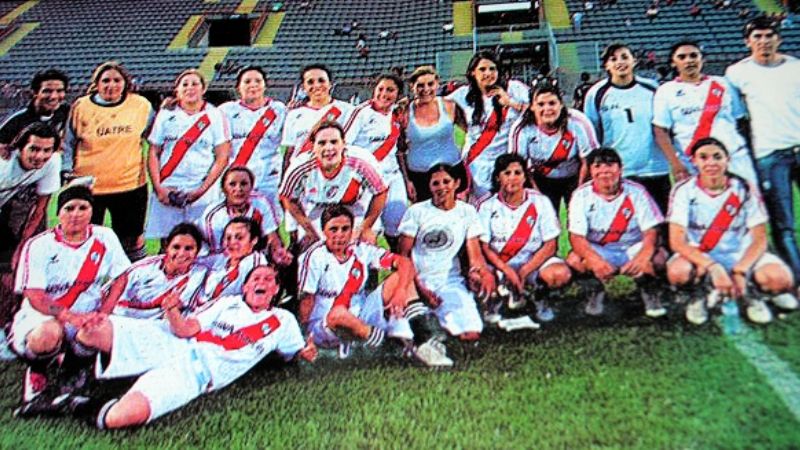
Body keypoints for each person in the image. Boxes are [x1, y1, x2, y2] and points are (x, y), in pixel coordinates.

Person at [35, 265, 315, 428]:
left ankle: (71, 403)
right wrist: (171, 310)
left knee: (121, 417)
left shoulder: (283, 320)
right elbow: (186, 329)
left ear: (277, 290)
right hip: (172, 342)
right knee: (93, 330)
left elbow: (294, 351)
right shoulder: (228, 303)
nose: (262, 283)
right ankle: (68, 382)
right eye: (256, 278)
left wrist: (306, 351)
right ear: (244, 288)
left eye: (268, 280)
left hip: (197, 372)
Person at [10, 185, 130, 410]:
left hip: (88, 314)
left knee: (100, 330)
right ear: (59, 212)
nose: (76, 214)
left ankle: (73, 372)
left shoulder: (105, 237)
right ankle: (37, 373)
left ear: (92, 212)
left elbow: (121, 278)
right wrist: (68, 316)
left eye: (83, 207)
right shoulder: (39, 245)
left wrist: (104, 312)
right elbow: (34, 295)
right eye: (69, 208)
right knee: (47, 335)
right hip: (44, 316)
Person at [666, 138, 797, 325]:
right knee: (679, 272)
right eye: (703, 157)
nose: (711, 163)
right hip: (702, 254)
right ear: (694, 161)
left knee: (780, 279)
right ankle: (699, 294)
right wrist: (714, 267)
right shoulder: (683, 190)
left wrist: (741, 271)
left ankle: (753, 293)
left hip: (740, 254)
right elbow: (677, 242)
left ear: (727, 160)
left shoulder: (743, 188)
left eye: (717, 157)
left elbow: (760, 238)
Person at [298, 205, 449, 366]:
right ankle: (393, 349)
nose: (340, 235)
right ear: (323, 231)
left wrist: (400, 291)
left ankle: (423, 339)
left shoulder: (361, 250)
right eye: (333, 229)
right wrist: (306, 337)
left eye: (345, 229)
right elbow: (307, 299)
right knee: (339, 314)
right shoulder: (314, 257)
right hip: (326, 324)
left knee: (402, 277)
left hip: (362, 311)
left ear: (352, 230)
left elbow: (404, 263)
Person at [725, 17, 800, 285]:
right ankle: (797, 280)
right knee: (783, 224)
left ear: (779, 38)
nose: (764, 41)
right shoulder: (736, 73)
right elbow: (736, 117)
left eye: (769, 35)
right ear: (748, 41)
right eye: (757, 36)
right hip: (769, 154)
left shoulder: (796, 67)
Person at [63, 61, 154, 262]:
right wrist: (65, 170)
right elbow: (68, 142)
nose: (111, 85)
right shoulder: (81, 106)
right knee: (84, 239)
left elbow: (154, 138)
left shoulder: (141, 105)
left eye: (116, 80)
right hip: (89, 186)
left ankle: (134, 281)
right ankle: (83, 284)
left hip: (129, 185)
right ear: (96, 83)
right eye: (105, 81)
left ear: (125, 83)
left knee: (131, 239)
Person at [398, 164, 495, 342]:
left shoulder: (467, 212)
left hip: (449, 282)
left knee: (470, 334)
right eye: (436, 183)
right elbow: (403, 256)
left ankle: (451, 316)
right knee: (405, 333)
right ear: (429, 186)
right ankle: (422, 316)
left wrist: (478, 273)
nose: (441, 187)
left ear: (457, 183)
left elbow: (475, 255)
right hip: (417, 282)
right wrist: (421, 289)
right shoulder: (416, 212)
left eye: (446, 181)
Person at [566, 148, 668, 318]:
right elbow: (576, 237)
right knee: (574, 260)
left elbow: (651, 230)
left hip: (631, 247)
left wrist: (643, 255)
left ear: (621, 169)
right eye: (598, 166)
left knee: (658, 257)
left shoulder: (637, 191)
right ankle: (595, 291)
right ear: (590, 171)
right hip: (602, 249)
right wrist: (595, 260)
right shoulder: (581, 195)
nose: (604, 171)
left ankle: (649, 292)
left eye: (610, 165)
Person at [477, 154, 571, 323]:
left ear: (525, 176)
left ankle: (538, 296)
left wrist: (524, 271)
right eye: (507, 173)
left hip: (532, 263)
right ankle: (496, 299)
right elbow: (484, 247)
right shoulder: (487, 206)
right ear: (498, 177)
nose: (512, 178)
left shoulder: (541, 202)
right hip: (501, 265)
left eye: (517, 173)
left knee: (559, 273)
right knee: (477, 276)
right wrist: (507, 271)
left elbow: (550, 244)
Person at [653, 40, 759, 187]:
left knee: (747, 203)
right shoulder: (666, 90)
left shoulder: (723, 84)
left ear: (702, 59)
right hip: (694, 162)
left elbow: (740, 120)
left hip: (734, 158)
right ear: (673, 63)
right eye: (682, 57)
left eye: (693, 55)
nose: (689, 60)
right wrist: (676, 163)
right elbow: (660, 130)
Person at [145, 69, 231, 246]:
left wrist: (202, 189)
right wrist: (159, 188)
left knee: (204, 242)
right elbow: (153, 152)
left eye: (195, 84)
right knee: (169, 243)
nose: (190, 88)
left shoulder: (215, 115)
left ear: (203, 89)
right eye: (185, 84)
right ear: (177, 89)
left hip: (202, 190)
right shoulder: (165, 115)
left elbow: (222, 157)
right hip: (169, 188)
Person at [583, 43, 671, 213]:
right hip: (619, 170)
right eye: (613, 59)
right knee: (626, 229)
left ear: (634, 61)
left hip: (654, 168)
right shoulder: (596, 94)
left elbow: (664, 127)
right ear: (607, 65)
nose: (620, 62)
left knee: (661, 227)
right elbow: (594, 135)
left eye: (625, 57)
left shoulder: (652, 88)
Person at [0, 123, 62, 350]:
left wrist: (22, 245)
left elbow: (40, 208)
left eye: (47, 150)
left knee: (12, 273)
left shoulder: (52, 162)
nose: (40, 156)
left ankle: (9, 325)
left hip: (9, 213)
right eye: (34, 149)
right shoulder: (3, 163)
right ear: (20, 147)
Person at [280, 121, 387, 248]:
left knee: (364, 246)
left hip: (355, 205)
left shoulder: (361, 162)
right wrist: (308, 230)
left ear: (344, 144)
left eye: (334, 142)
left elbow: (381, 191)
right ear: (313, 146)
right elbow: (288, 197)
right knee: (311, 248)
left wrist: (365, 227)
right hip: (317, 207)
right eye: (322, 143)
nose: (329, 148)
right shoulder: (300, 167)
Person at [445, 52, 529, 200]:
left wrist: (510, 102)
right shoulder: (462, 94)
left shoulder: (514, 88)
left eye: (492, 69)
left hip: (506, 163)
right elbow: (436, 108)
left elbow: (538, 111)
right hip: (476, 162)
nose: (488, 73)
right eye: (482, 69)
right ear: (472, 72)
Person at [509, 80, 599, 212]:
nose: (547, 109)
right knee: (545, 225)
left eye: (552, 103)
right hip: (541, 179)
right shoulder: (522, 129)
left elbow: (589, 160)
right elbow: (518, 167)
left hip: (576, 176)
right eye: (540, 104)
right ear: (532, 106)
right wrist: (538, 196)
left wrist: (579, 192)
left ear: (561, 104)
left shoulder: (578, 122)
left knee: (580, 220)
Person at [343, 74, 410, 250]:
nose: (384, 94)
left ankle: (400, 268)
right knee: (367, 230)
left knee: (398, 225)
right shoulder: (360, 113)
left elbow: (399, 150)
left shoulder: (397, 114)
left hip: (392, 177)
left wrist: (406, 179)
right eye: (381, 89)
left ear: (398, 94)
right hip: (367, 180)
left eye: (390, 90)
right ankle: (367, 274)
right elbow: (344, 146)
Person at [100, 223, 209, 319]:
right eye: (176, 247)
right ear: (167, 247)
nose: (181, 254)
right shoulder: (144, 267)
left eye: (188, 248)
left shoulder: (199, 275)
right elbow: (107, 294)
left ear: (197, 252)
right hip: (123, 319)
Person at [218, 66, 287, 206]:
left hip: (268, 178)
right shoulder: (225, 111)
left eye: (258, 81)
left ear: (265, 85)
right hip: (236, 180)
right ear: (238, 87)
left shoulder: (279, 110)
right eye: (247, 81)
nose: (253, 85)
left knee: (269, 222)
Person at [403, 66, 468, 202]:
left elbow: (469, 131)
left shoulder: (450, 105)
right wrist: (406, 179)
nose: (426, 89)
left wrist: (462, 151)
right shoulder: (404, 111)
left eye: (430, 84)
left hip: (452, 172)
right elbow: (398, 149)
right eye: (420, 85)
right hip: (419, 177)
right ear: (412, 86)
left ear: (437, 84)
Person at [199, 166, 286, 262]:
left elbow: (272, 237)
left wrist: (277, 252)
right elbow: (217, 253)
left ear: (251, 187)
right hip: (221, 261)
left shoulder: (261, 203)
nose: (239, 189)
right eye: (232, 184)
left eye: (244, 184)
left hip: (255, 256)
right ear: (223, 189)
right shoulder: (214, 215)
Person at [280, 64, 354, 168]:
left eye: (321, 80)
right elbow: (288, 152)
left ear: (330, 84)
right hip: (302, 172)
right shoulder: (294, 115)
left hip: (336, 171)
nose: (317, 85)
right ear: (303, 87)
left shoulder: (347, 110)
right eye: (310, 82)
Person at [198, 217, 269, 308]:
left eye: (239, 238)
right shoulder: (221, 258)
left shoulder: (257, 265)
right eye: (227, 237)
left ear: (254, 240)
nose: (232, 242)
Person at [0, 69, 69, 160]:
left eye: (59, 91)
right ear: (35, 93)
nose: (53, 96)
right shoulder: (17, 121)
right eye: (47, 91)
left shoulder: (66, 112)